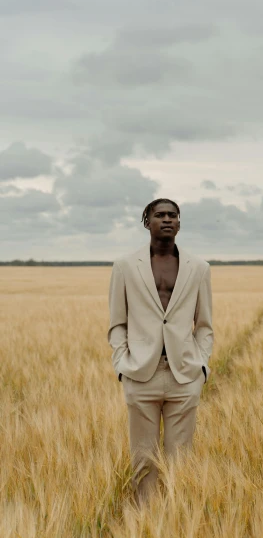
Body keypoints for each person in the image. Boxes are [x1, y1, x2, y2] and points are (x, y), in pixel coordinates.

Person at [108, 198, 213, 502]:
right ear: (147, 222)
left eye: (173, 215)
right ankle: (145, 526)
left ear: (179, 223)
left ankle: (175, 523)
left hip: (184, 375)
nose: (167, 220)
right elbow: (117, 323)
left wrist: (201, 369)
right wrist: (121, 365)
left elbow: (204, 325)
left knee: (181, 461)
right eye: (160, 215)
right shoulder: (125, 266)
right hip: (140, 375)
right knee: (143, 461)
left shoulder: (199, 268)